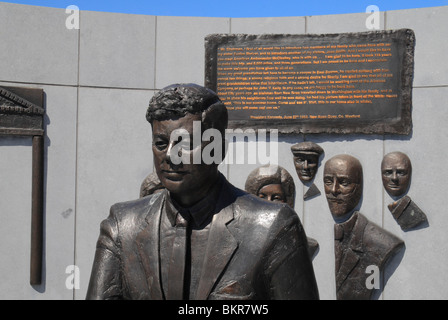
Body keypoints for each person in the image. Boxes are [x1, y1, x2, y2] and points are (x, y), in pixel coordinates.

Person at [86, 83, 319, 300]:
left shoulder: (273, 227)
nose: (170, 155)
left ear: (218, 150)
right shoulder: (121, 226)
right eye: (160, 143)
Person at [323, 154, 404, 300]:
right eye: (328, 181)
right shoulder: (321, 237)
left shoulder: (382, 243)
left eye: (344, 182)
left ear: (359, 186)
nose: (334, 190)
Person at [245, 164, 319, 258]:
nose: (269, 202)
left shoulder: (304, 245)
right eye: (262, 197)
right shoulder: (241, 243)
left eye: (276, 198)